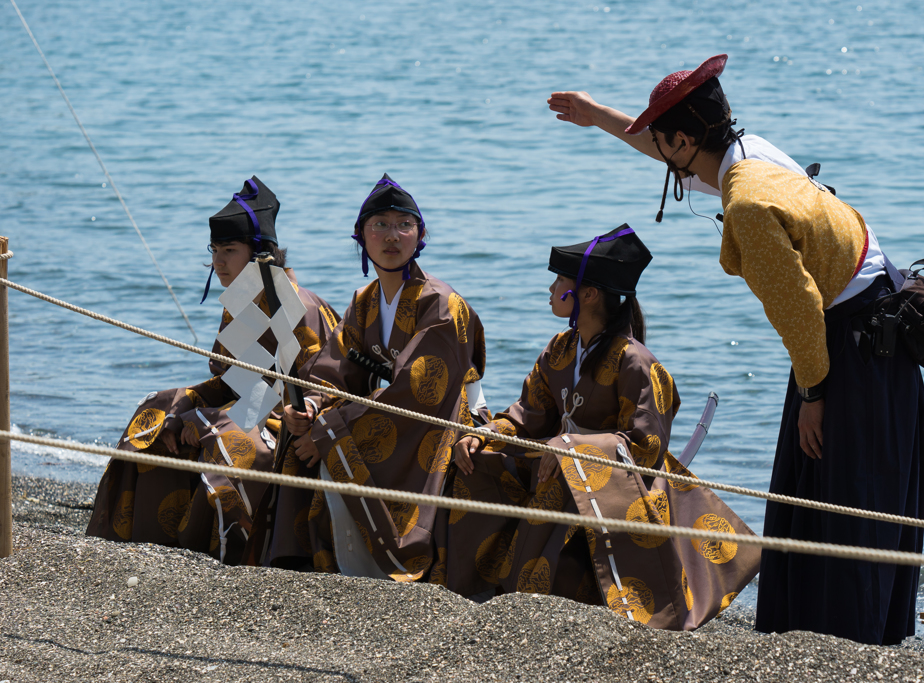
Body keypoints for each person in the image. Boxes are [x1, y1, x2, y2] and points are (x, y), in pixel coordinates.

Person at [554, 55, 924, 645]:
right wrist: (598, 115)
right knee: (831, 498)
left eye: (663, 138)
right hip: (865, 332)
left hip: (852, 352)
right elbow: (672, 150)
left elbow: (797, 308)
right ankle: (849, 634)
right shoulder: (746, 150)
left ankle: (846, 642)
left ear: (685, 136)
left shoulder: (749, 203)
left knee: (842, 502)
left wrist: (814, 393)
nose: (660, 151)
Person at [444, 226, 760, 631]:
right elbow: (529, 414)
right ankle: (470, 581)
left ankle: (532, 586)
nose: (552, 287)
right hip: (556, 464)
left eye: (560, 280)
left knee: (559, 473)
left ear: (587, 294)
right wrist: (484, 433)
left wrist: (571, 445)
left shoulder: (636, 362)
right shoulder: (559, 349)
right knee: (474, 460)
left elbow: (645, 446)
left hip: (616, 488)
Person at [87, 177, 341, 565]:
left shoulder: (295, 306)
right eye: (215, 250)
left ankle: (220, 551)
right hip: (256, 412)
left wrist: (205, 418)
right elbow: (233, 382)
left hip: (301, 428)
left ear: (259, 254)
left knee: (217, 432)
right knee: (157, 409)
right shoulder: (240, 298)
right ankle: (137, 540)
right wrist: (180, 414)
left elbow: (296, 394)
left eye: (229, 250)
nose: (218, 262)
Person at [250, 173, 488, 580]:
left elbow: (419, 392)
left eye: (403, 225)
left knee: (330, 440)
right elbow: (336, 370)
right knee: (301, 438)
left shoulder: (442, 305)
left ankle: (379, 560)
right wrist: (309, 407)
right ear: (361, 235)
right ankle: (301, 563)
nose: (392, 236)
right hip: (382, 410)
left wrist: (327, 429)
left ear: (420, 234)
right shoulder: (364, 301)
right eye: (379, 225)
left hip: (443, 419)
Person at [548, 59, 807, 219]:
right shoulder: (749, 149)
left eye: (656, 135)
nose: (655, 146)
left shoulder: (747, 196)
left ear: (682, 141)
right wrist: (594, 113)